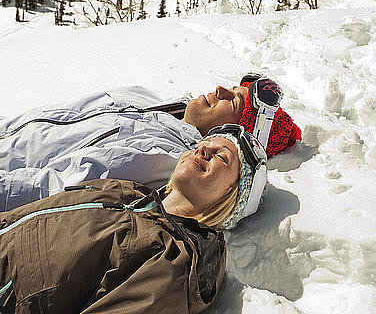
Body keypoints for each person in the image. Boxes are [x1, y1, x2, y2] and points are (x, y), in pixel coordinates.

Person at [0, 125, 268, 314]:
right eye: (202, 145)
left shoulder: (174, 262)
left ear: (232, 196)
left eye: (222, 156)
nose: (203, 150)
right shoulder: (127, 191)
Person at [0, 74, 301, 210]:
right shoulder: (145, 97)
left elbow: (51, 189)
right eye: (234, 87)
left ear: (230, 132)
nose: (220, 88)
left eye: (233, 101)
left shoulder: (162, 159)